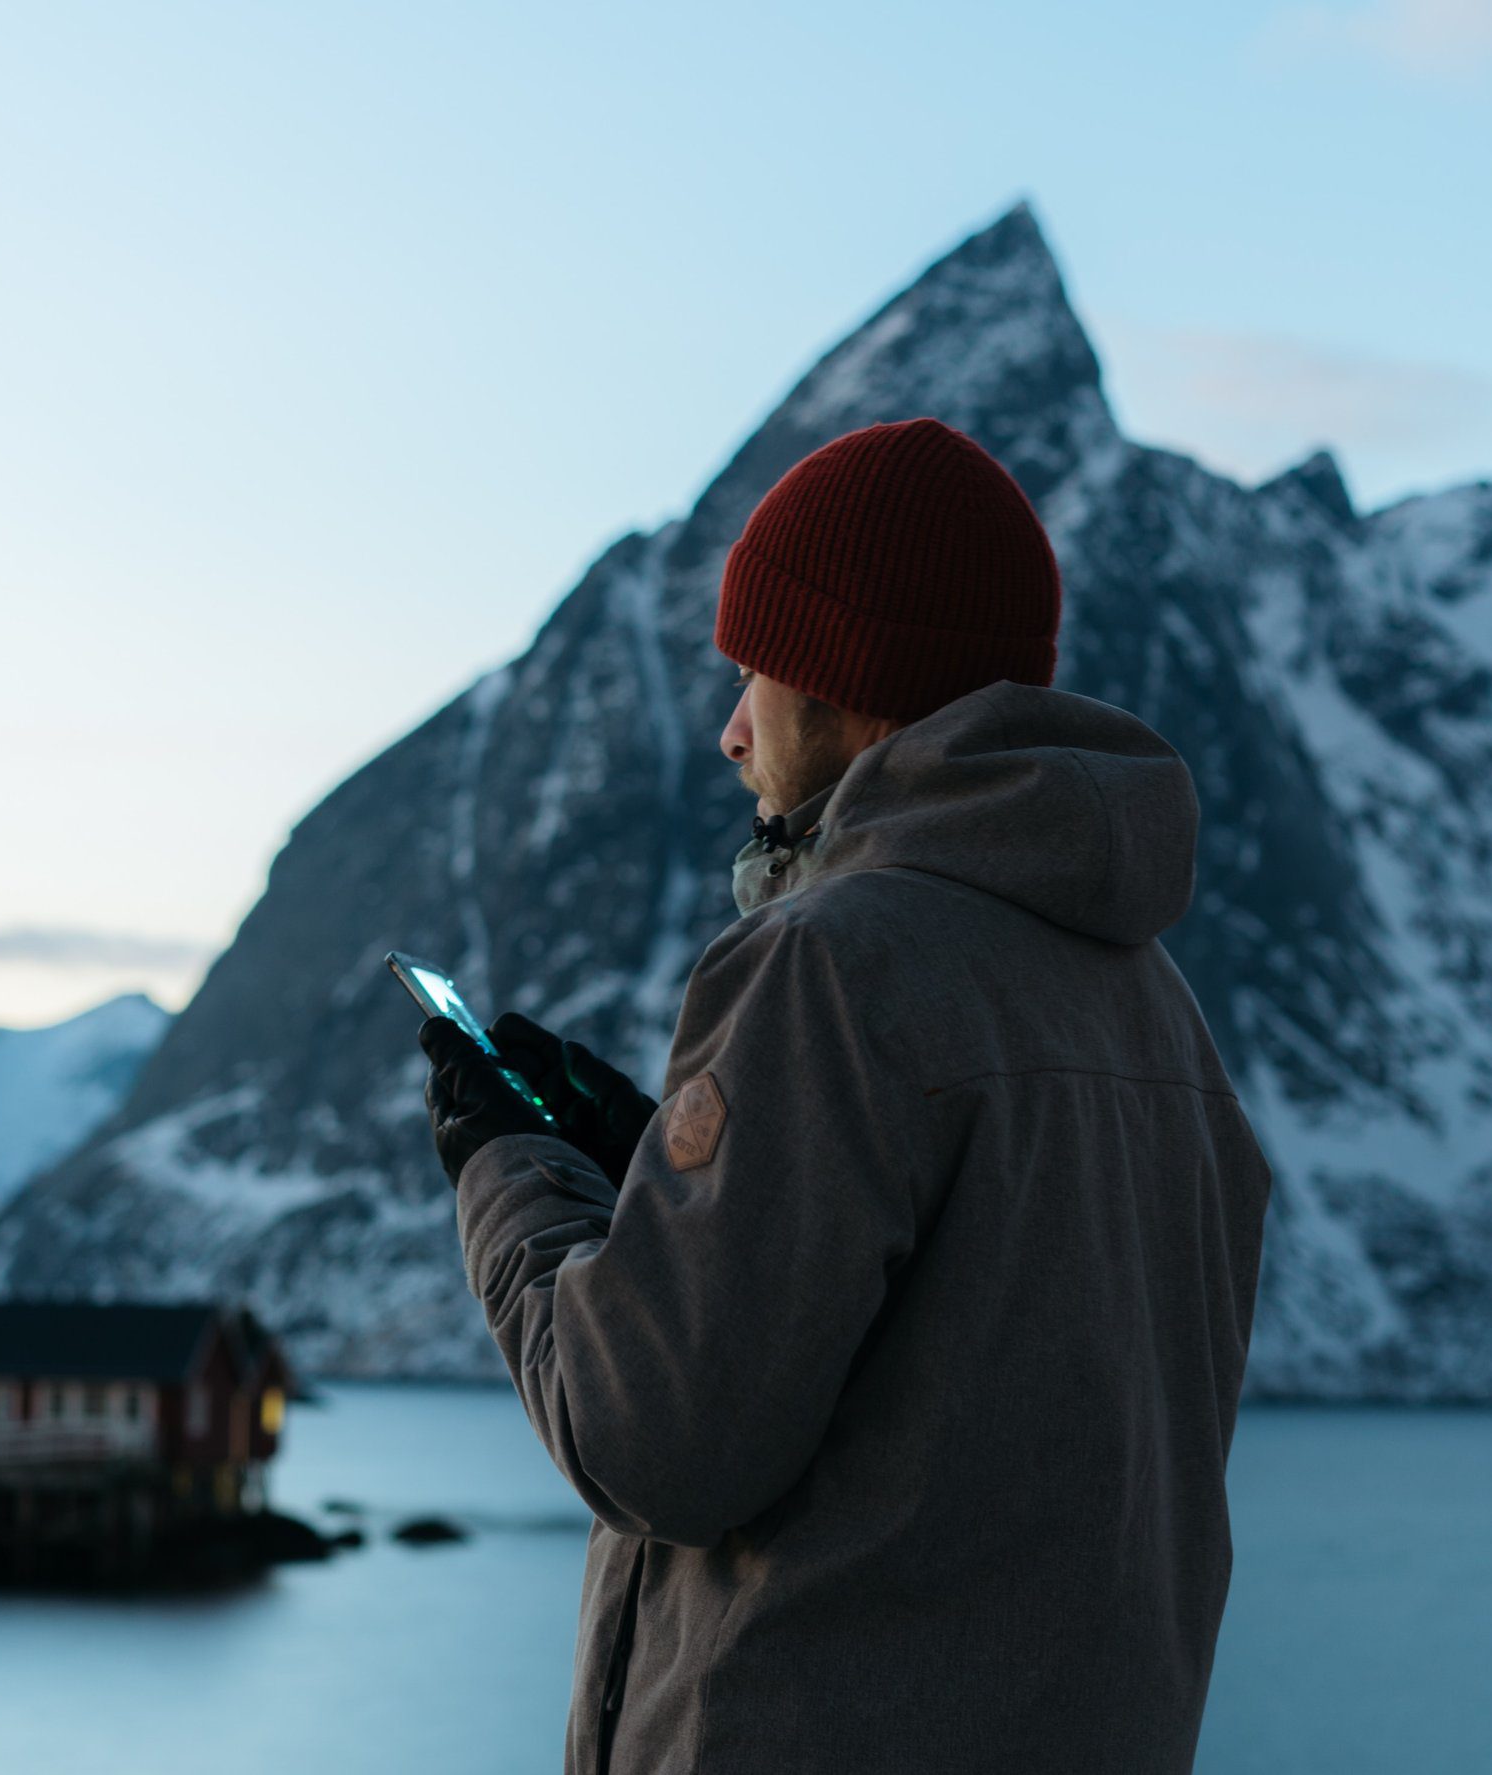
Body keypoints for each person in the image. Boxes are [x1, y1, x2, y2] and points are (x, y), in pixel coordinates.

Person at [418, 416, 1274, 1775]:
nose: (732, 731)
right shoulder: (1156, 1014)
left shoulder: (835, 962)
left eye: (759, 673)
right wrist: (665, 1183)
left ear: (850, 682)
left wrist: (506, 1167)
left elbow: (651, 1437)